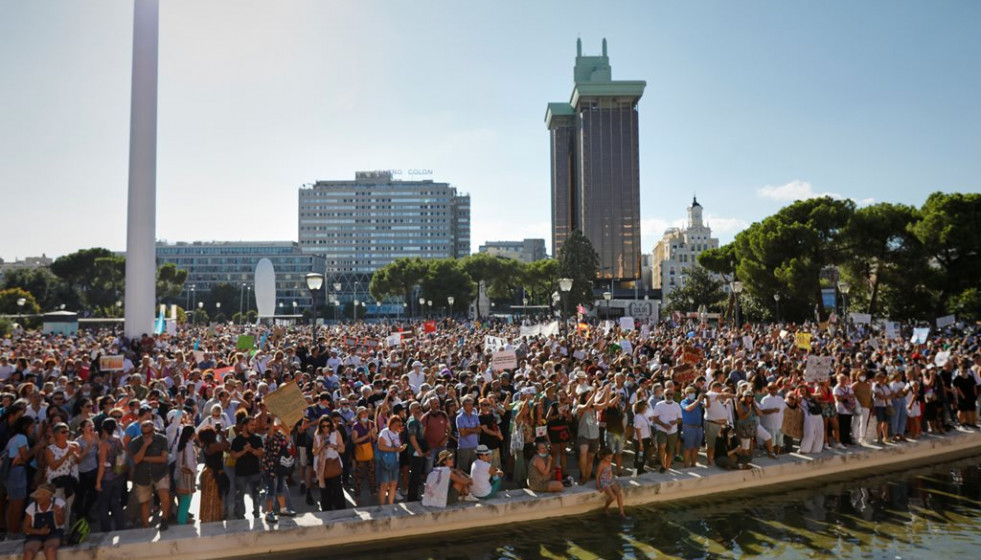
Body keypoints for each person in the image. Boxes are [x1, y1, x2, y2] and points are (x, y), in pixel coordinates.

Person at [128, 419, 170, 530]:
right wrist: (145, 446)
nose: (146, 435)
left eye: (148, 433)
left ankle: (164, 518)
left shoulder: (162, 439)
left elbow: (163, 458)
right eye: (143, 433)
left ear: (153, 430)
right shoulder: (136, 442)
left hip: (160, 472)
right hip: (142, 475)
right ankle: (145, 525)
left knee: (164, 494)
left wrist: (144, 458)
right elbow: (136, 460)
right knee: (145, 501)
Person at [94, 418, 125, 532]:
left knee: (103, 505)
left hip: (106, 478)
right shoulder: (118, 440)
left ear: (103, 429)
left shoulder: (103, 444)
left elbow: (102, 464)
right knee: (115, 502)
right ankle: (120, 526)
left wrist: (98, 482)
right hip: (118, 475)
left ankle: (106, 529)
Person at [229, 416, 264, 520]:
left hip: (255, 472)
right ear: (244, 426)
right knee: (239, 497)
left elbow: (260, 452)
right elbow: (233, 455)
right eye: (251, 425)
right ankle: (240, 516)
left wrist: (250, 449)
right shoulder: (237, 440)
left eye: (254, 425)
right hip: (241, 473)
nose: (254, 427)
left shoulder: (257, 438)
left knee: (256, 495)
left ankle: (257, 514)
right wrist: (244, 451)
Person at [22, 484, 64, 560]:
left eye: (41, 495)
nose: (38, 498)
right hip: (35, 534)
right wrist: (40, 532)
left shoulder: (58, 503)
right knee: (29, 552)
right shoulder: (32, 507)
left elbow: (61, 523)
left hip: (53, 533)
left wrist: (57, 514)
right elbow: (25, 528)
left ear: (49, 496)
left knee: (50, 550)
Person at [196, 425, 228, 524]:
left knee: (208, 496)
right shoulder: (212, 446)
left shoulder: (206, 445)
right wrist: (222, 436)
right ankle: (213, 517)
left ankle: (207, 516)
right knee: (215, 496)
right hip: (213, 475)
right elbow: (226, 445)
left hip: (208, 472)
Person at [312, 415, 345, 511]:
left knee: (337, 490)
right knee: (324, 491)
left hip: (333, 464)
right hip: (322, 467)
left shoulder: (336, 433)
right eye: (323, 426)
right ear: (320, 426)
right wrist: (321, 445)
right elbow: (314, 452)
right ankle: (327, 511)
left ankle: (341, 511)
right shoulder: (317, 435)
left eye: (328, 425)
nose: (326, 428)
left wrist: (332, 446)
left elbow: (342, 449)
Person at [376, 415, 405, 506]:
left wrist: (400, 448)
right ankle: (382, 506)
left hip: (395, 461)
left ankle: (390, 505)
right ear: (390, 424)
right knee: (384, 485)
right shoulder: (384, 432)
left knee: (393, 484)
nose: (397, 427)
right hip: (385, 462)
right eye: (395, 425)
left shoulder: (396, 433)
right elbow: (380, 446)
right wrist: (394, 450)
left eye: (398, 425)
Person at [651, 389, 682, 473]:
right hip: (662, 430)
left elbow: (680, 419)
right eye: (667, 394)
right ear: (663, 395)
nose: (669, 395)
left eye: (671, 394)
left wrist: (675, 422)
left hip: (673, 431)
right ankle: (663, 465)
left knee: (670, 451)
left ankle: (667, 468)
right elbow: (654, 418)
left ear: (673, 395)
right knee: (662, 447)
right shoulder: (659, 405)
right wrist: (663, 424)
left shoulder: (676, 405)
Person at [174, 425, 197, 525]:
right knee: (186, 499)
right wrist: (195, 473)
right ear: (191, 434)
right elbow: (190, 463)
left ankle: (184, 517)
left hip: (178, 474)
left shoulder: (181, 444)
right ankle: (182, 520)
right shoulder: (188, 446)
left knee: (183, 498)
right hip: (186, 476)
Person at [679, 387, 705, 468]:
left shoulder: (696, 402)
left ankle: (693, 464)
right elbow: (688, 409)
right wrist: (698, 400)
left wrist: (706, 397)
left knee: (696, 447)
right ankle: (686, 465)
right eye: (691, 392)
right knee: (688, 447)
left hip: (698, 427)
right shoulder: (684, 402)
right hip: (689, 428)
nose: (693, 394)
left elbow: (707, 406)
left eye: (693, 392)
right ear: (686, 394)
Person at [595, 449, 624, 517]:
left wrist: (611, 476)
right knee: (612, 497)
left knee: (619, 494)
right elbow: (597, 476)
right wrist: (599, 486)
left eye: (611, 457)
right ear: (604, 456)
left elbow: (610, 470)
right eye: (608, 457)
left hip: (610, 480)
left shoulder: (608, 462)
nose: (610, 459)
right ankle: (605, 508)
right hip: (604, 482)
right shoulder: (601, 464)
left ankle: (621, 512)